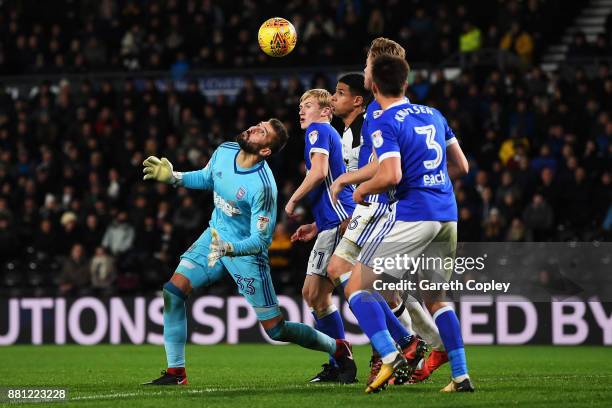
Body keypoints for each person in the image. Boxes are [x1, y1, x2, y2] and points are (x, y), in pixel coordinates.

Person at [142, 119, 356, 385]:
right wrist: (174, 178)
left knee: (276, 330)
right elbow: (209, 177)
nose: (254, 128)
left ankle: (337, 347)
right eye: (258, 125)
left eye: (262, 132)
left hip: (246, 256)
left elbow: (261, 240)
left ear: (265, 151)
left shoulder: (263, 187)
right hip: (215, 237)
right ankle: (176, 372)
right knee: (173, 292)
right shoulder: (224, 151)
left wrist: (230, 248)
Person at [346, 54, 473, 393]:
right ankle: (460, 376)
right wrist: (432, 183)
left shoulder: (385, 120)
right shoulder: (434, 114)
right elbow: (461, 166)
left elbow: (390, 175)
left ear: (373, 86)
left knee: (356, 286)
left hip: (414, 213)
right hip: (446, 212)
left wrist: (363, 190)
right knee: (436, 297)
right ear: (405, 83)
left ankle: (390, 355)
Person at [328, 38, 449, 385]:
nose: (364, 67)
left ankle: (404, 347)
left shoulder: (380, 114)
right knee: (384, 285)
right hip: (400, 206)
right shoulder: (384, 115)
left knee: (362, 281)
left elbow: (382, 167)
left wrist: (352, 183)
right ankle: (419, 345)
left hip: (382, 206)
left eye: (367, 63)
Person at [285, 89, 355, 382]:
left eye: (309, 105)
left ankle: (399, 344)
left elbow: (319, 172)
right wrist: (316, 224)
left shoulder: (317, 130)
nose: (302, 110)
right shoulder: (325, 132)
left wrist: (292, 199)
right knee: (314, 295)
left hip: (340, 220)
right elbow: (329, 181)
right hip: (333, 221)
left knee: (347, 292)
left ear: (326, 111)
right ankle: (340, 362)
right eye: (300, 105)